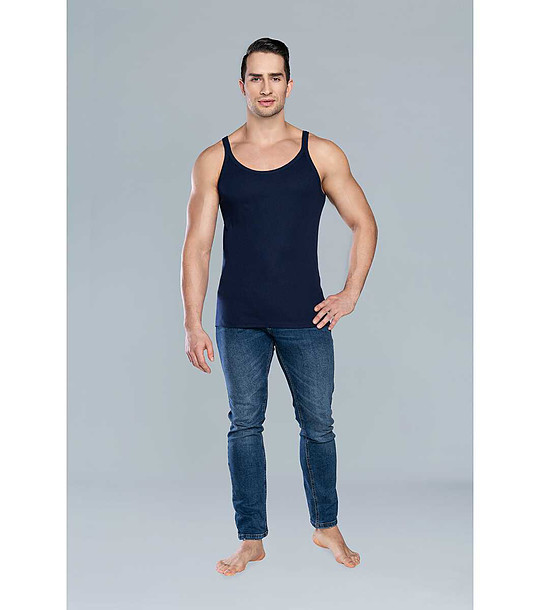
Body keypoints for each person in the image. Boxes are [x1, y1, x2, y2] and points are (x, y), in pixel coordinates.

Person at [181, 37, 378, 576]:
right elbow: (197, 247)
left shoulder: (321, 154)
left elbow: (364, 223)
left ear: (289, 85)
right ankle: (251, 539)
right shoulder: (214, 160)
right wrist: (193, 322)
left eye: (275, 78)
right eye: (256, 78)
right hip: (239, 318)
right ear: (242, 85)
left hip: (305, 317)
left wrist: (350, 293)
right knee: (244, 426)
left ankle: (326, 526)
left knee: (319, 425)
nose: (265, 88)